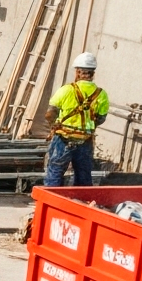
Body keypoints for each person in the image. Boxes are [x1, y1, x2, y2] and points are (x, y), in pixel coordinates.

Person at [45, 54, 109, 187]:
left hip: (63, 139)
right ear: (93, 73)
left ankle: (52, 202)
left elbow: (50, 113)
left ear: (78, 72)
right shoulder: (101, 94)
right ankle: (81, 202)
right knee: (83, 175)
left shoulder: (66, 90)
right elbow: (101, 118)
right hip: (85, 140)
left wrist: (54, 125)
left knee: (55, 171)